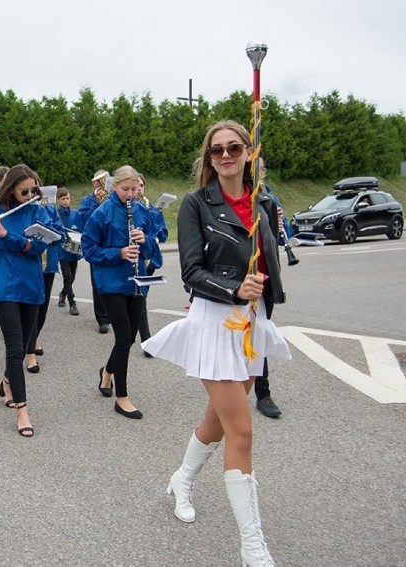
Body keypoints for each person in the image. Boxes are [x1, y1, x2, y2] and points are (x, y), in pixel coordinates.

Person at [143, 120, 291, 566]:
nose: (225, 155)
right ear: (209, 159)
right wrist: (232, 290)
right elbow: (190, 271)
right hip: (214, 320)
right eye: (217, 150)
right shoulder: (195, 204)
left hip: (251, 323)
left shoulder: (263, 199)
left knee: (218, 420)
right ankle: (252, 546)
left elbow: (271, 262)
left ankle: (182, 478)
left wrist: (261, 294)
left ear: (249, 151)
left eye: (234, 147)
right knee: (241, 430)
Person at [0, 164, 57, 438]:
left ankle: (7, 381)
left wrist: (8, 235)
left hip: (30, 285)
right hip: (3, 285)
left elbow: (38, 247)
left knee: (26, 342)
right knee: (15, 348)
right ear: (11, 188)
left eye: (33, 190)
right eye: (24, 190)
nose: (30, 195)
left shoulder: (39, 213)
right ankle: (23, 410)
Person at [82, 165, 163, 420]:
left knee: (129, 338)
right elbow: (88, 249)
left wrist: (145, 241)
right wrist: (119, 253)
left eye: (134, 189)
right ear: (114, 187)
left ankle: (107, 373)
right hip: (110, 282)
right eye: (125, 189)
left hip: (135, 280)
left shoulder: (142, 211)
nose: (130, 194)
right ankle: (122, 397)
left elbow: (153, 250)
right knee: (123, 336)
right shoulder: (102, 212)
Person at [255, 157, 290, 418]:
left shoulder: (269, 198)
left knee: (260, 335)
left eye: (261, 169)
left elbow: (285, 231)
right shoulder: (228, 197)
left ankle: (262, 393)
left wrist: (281, 224)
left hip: (265, 278)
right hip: (240, 279)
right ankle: (257, 389)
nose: (258, 173)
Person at [24, 184, 64, 374]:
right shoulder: (26, 211)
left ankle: (32, 339)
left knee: (43, 310)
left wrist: (48, 232)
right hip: (30, 264)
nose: (33, 194)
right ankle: (30, 353)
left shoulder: (50, 211)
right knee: (32, 308)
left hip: (48, 265)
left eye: (35, 191)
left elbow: (60, 236)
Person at [135, 173, 169, 355]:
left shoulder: (153, 209)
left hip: (151, 260)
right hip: (136, 258)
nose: (139, 189)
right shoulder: (131, 208)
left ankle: (140, 333)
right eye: (136, 185)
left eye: (141, 185)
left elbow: (163, 234)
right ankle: (146, 340)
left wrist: (156, 230)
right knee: (140, 298)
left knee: (142, 298)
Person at [78, 169, 111, 334]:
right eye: (100, 181)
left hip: (112, 244)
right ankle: (102, 318)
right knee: (98, 281)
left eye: (106, 180)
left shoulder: (113, 197)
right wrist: (97, 204)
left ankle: (113, 313)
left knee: (112, 279)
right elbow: (83, 221)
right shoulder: (86, 201)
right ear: (94, 183)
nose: (103, 184)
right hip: (96, 246)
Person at [55, 186, 82, 316]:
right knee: (68, 276)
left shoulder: (76, 213)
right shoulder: (56, 214)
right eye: (63, 198)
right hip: (63, 250)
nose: (66, 201)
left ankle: (63, 293)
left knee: (73, 277)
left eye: (67, 198)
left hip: (74, 249)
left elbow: (80, 229)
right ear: (58, 200)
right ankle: (72, 303)